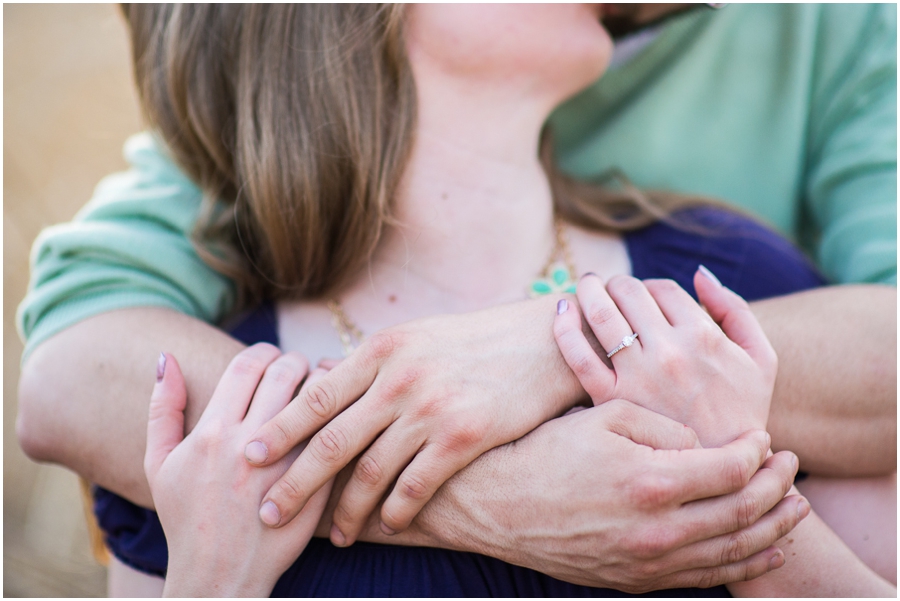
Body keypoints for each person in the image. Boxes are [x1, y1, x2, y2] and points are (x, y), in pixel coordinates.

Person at [15, 2, 896, 595]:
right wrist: (486, 492)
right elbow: (64, 369)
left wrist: (577, 353)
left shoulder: (723, 288)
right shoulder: (210, 430)